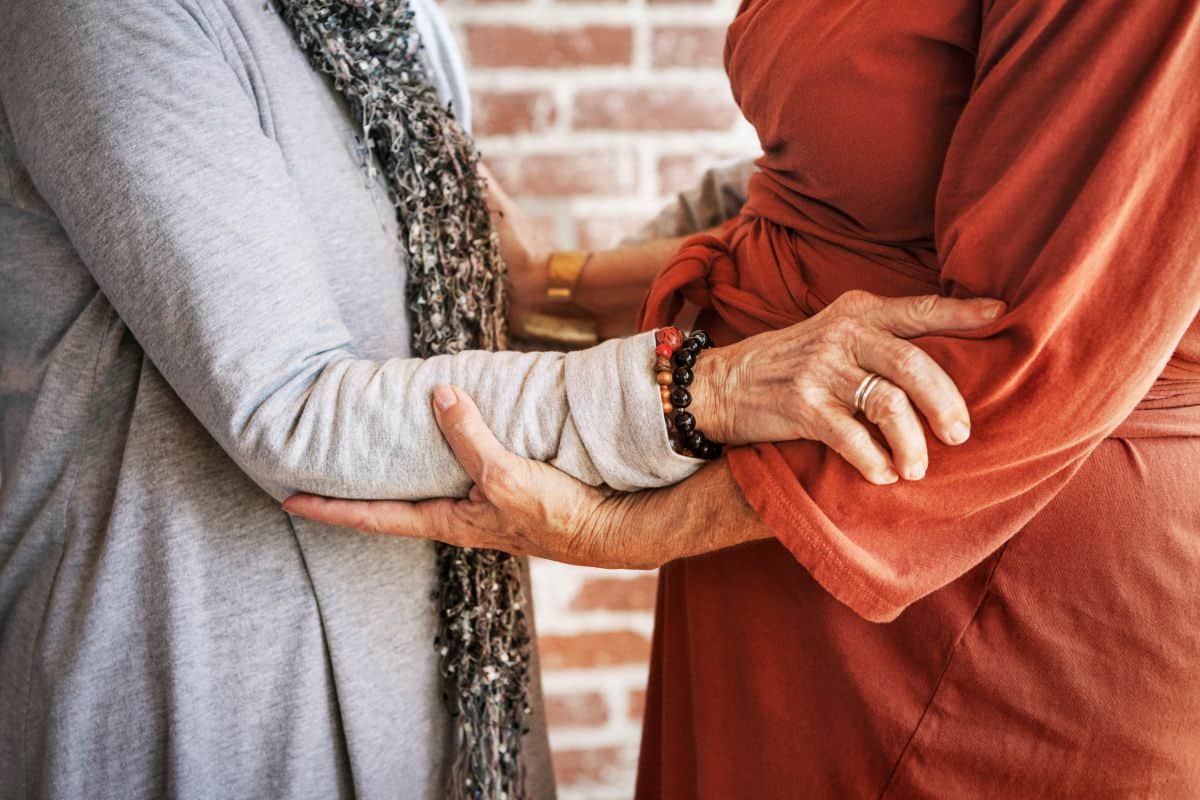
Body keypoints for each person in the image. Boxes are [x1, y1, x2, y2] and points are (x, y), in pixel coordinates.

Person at [0, 1, 1000, 798]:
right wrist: (703, 388)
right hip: (213, 680)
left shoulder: (391, 23)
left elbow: (461, 342)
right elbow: (289, 404)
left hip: (452, 669)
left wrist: (812, 205)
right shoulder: (108, 19)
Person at [287, 0, 1200, 797]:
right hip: (773, 528)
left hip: (974, 574)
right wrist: (561, 287)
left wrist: (622, 530)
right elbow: (826, 215)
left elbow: (1041, 341)